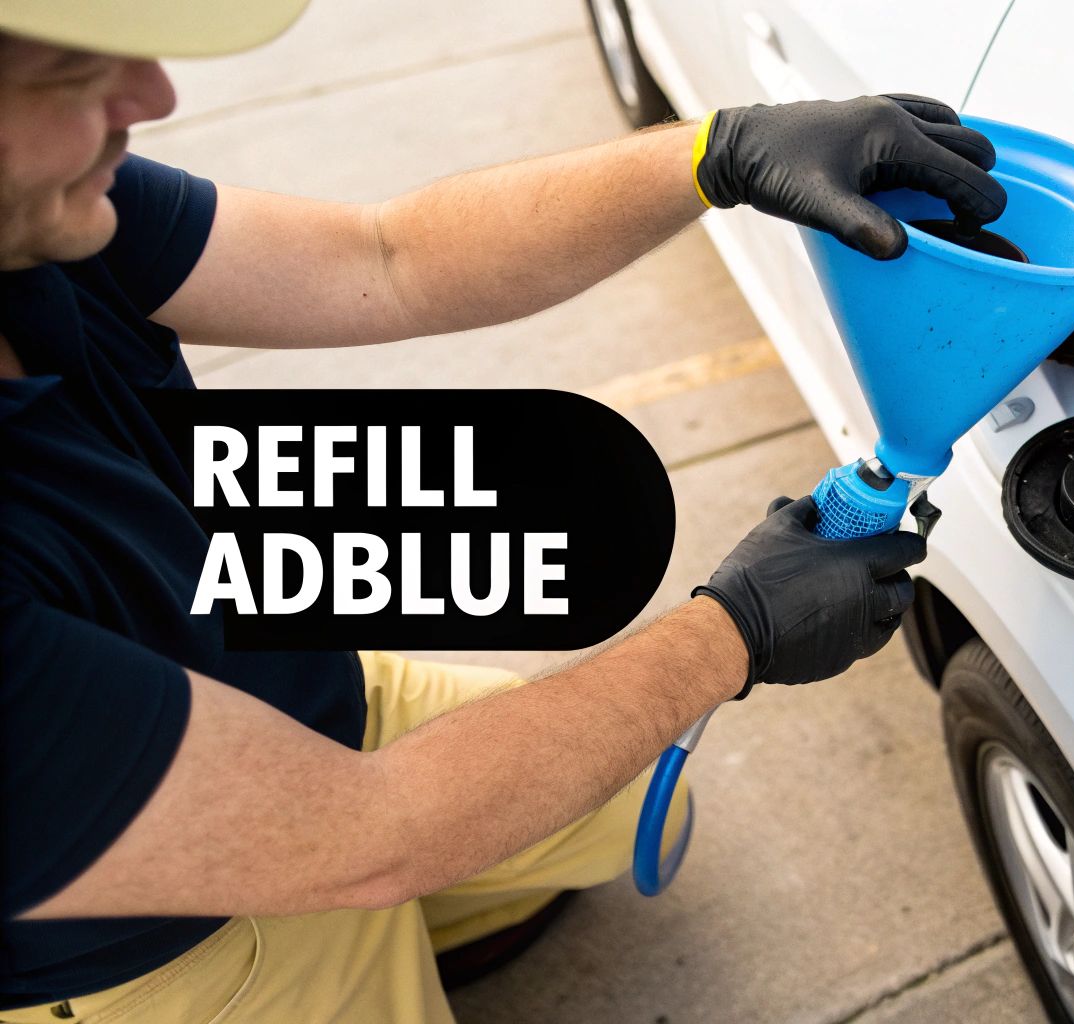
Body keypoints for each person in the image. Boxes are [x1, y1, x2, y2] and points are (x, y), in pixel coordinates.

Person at [0, 0, 1008, 1020]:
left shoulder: (45, 213)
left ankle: (436, 911)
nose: (153, 97)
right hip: (160, 951)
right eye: (71, 74)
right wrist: (729, 636)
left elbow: (382, 258)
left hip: (289, 694)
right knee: (411, 851)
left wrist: (720, 153)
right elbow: (366, 832)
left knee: (621, 800)